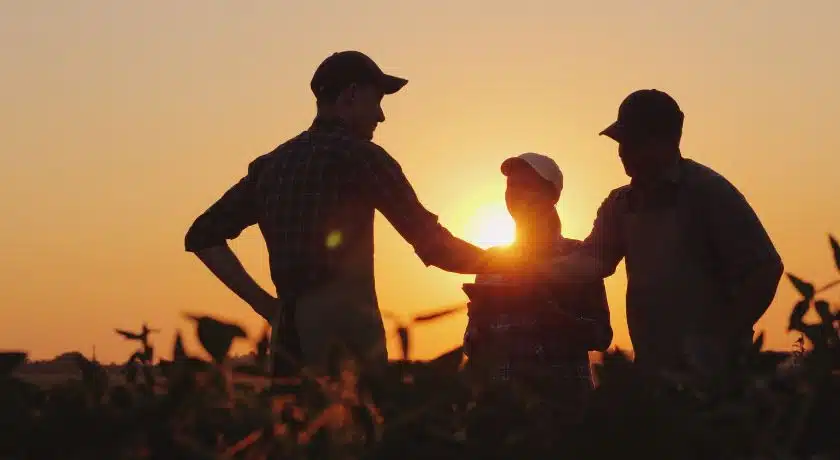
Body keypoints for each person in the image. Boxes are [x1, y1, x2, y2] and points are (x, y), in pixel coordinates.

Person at [184, 50, 496, 377]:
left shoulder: (271, 166)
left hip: (287, 345)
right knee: (357, 424)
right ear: (351, 95)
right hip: (348, 344)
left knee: (294, 425)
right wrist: (507, 264)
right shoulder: (361, 157)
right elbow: (435, 246)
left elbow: (203, 236)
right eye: (376, 101)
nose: (381, 116)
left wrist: (265, 305)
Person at [542, 89, 784, 378]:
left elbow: (766, 269)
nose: (621, 152)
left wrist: (719, 340)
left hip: (715, 379)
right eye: (621, 142)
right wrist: (528, 271)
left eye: (632, 142)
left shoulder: (708, 192)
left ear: (667, 141)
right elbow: (592, 261)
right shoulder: (621, 204)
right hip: (654, 373)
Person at [462, 152, 613, 440]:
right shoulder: (491, 262)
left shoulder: (578, 256)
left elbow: (601, 335)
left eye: (526, 187)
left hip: (564, 411)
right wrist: (477, 324)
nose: (515, 195)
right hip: (502, 414)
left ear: (551, 196)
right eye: (511, 187)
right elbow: (472, 346)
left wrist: (556, 319)